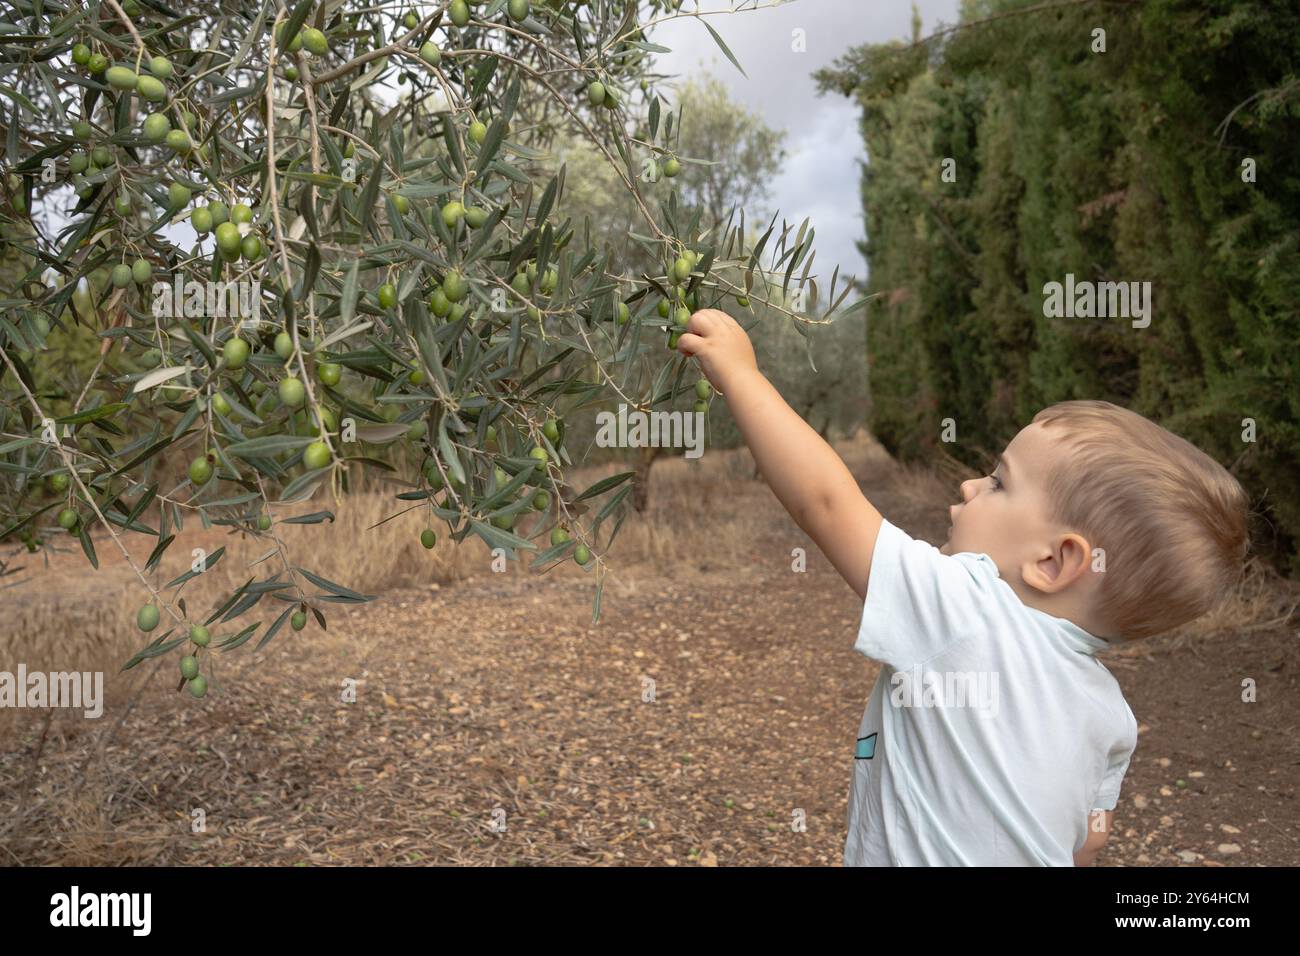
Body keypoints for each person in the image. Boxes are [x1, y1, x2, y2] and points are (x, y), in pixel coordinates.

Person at [677, 308, 1250, 866]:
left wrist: (741, 374)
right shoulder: (1113, 718)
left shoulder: (965, 611)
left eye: (1000, 482)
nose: (971, 484)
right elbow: (1090, 841)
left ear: (1054, 561)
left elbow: (825, 503)